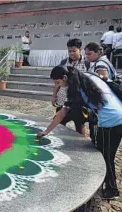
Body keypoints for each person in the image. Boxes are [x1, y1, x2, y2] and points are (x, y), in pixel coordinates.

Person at [38, 66, 122, 199]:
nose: (58, 86)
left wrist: (47, 131)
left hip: (110, 121)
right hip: (118, 113)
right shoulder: (88, 76)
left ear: (65, 78)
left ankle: (112, 190)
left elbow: (62, 113)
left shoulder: (76, 89)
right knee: (105, 153)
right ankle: (106, 185)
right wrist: (47, 130)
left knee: (106, 156)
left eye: (58, 83)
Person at [51, 38, 89, 137]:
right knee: (60, 123)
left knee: (79, 126)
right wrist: (54, 95)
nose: (71, 53)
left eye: (74, 51)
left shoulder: (87, 63)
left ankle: (80, 144)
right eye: (69, 51)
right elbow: (57, 81)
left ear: (80, 50)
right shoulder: (63, 62)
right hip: (63, 98)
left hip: (79, 101)